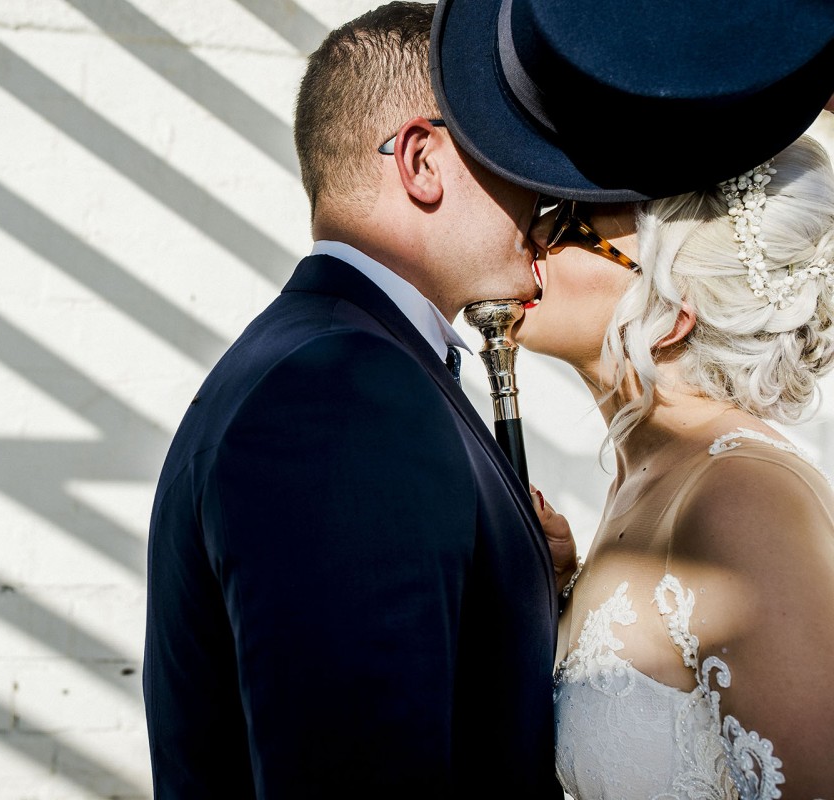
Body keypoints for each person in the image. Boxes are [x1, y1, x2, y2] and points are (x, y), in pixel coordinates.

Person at [142, 3, 572, 796]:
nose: (549, 204)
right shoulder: (341, 393)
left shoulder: (331, 359)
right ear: (421, 161)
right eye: (523, 157)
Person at [428, 0, 834, 796]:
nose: (535, 231)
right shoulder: (643, 478)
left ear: (673, 309)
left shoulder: (744, 498)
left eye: (574, 222)